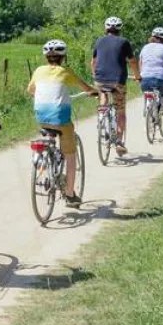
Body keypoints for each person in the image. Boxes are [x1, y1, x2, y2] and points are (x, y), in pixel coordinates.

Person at [28, 39, 98, 209]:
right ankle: (70, 194)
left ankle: (47, 164)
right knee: (70, 154)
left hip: (41, 117)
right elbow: (86, 87)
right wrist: (93, 91)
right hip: (61, 119)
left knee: (50, 133)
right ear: (63, 57)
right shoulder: (65, 72)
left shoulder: (38, 71)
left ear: (46, 57)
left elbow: (30, 90)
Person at [91, 16, 140, 156]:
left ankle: (102, 115)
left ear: (106, 28)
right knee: (120, 111)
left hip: (100, 80)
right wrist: (137, 75)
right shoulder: (124, 42)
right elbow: (132, 62)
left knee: (103, 95)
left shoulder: (99, 41)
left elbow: (93, 62)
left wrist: (95, 75)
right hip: (118, 81)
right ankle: (119, 141)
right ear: (120, 29)